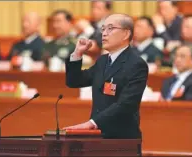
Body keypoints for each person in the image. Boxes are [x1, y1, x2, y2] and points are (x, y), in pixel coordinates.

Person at [63, 14, 149, 155]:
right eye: (103, 29)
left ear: (126, 33)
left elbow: (126, 104)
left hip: (122, 141)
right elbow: (74, 81)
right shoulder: (102, 61)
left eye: (110, 28)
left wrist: (91, 123)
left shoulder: (136, 64)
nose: (104, 33)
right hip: (97, 138)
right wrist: (77, 53)